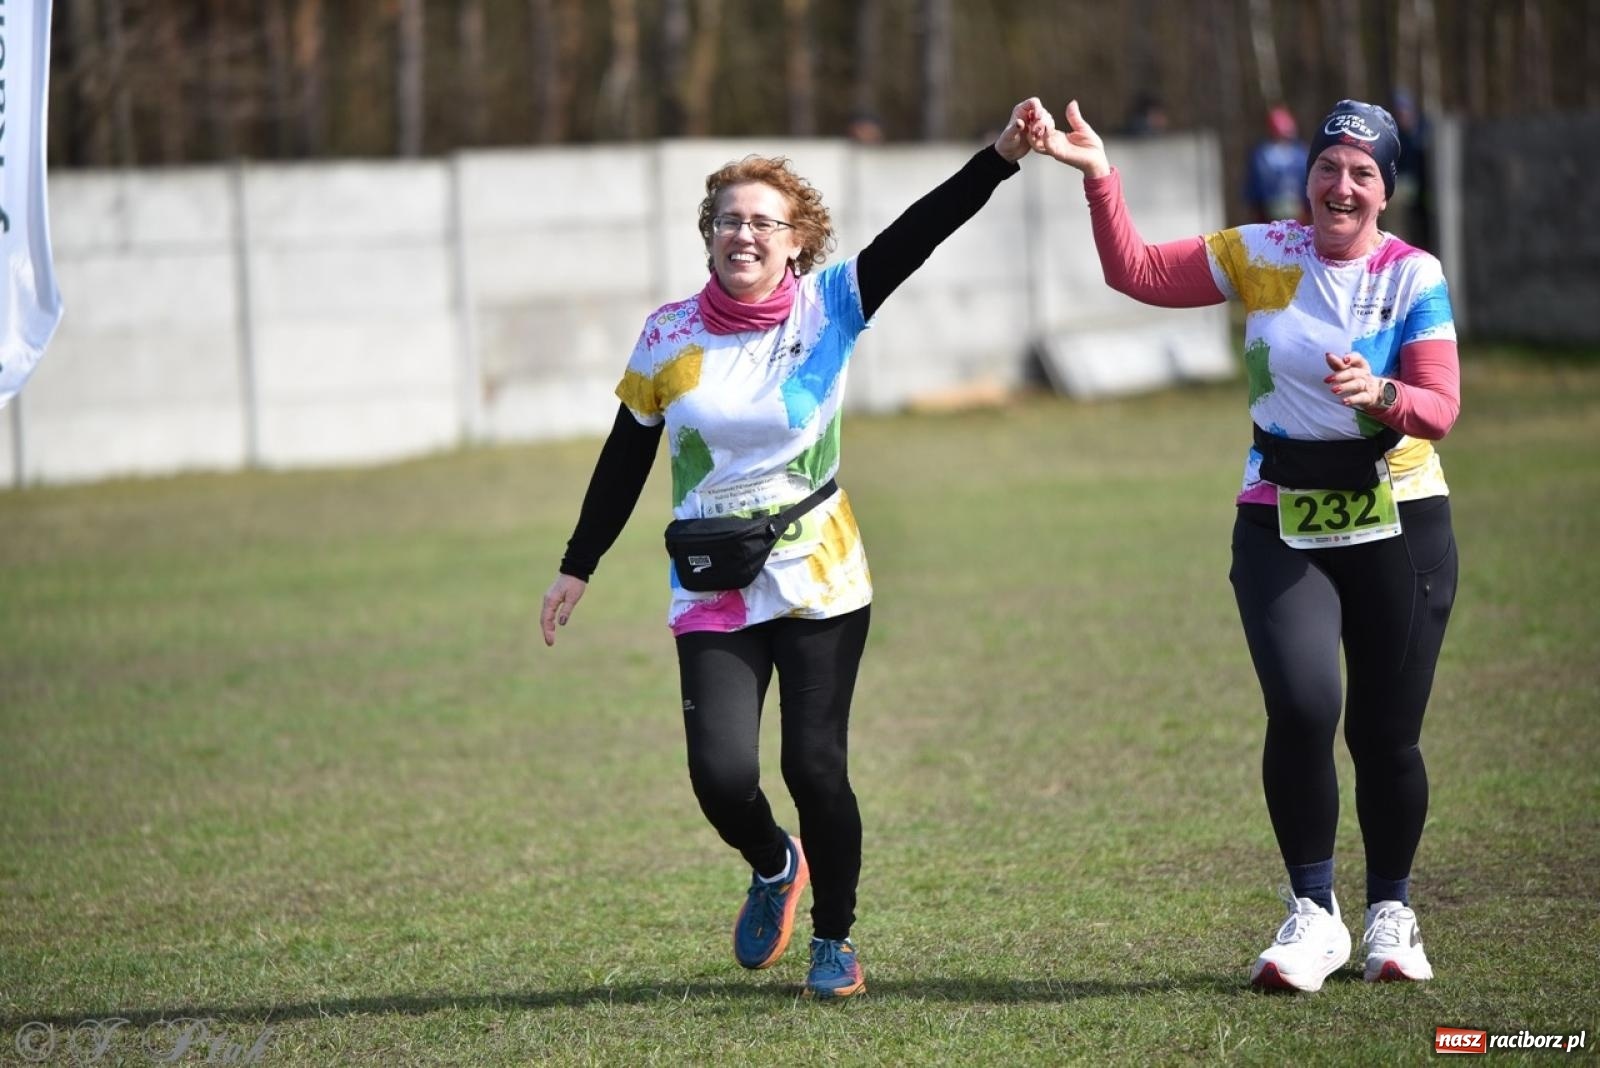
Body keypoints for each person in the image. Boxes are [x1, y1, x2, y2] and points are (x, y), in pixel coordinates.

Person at [540, 98, 1046, 1000]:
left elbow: (920, 231)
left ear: (796, 239)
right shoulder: (668, 334)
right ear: (709, 236)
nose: (744, 234)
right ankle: (776, 864)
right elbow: (626, 454)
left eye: (762, 222)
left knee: (814, 765)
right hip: (710, 580)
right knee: (721, 775)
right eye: (729, 219)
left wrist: (1001, 154)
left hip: (818, 569)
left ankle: (835, 940)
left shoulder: (830, 305)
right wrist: (579, 563)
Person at [1027, 98, 1460, 992]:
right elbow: (1140, 272)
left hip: (1400, 517)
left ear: (1387, 188)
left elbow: (1440, 408)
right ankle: (1314, 915)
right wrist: (1100, 175)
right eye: (1328, 167)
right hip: (1280, 513)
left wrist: (1379, 395)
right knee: (1303, 707)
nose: (1341, 185)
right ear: (1306, 175)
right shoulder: (1263, 254)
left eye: (1363, 172)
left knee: (1386, 733)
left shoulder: (1414, 275)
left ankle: (1392, 915)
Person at [1243, 105, 1310, 224]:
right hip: (1270, 210)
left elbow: (1307, 180)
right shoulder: (1262, 154)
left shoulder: (1299, 153)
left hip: (1296, 209)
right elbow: (1255, 186)